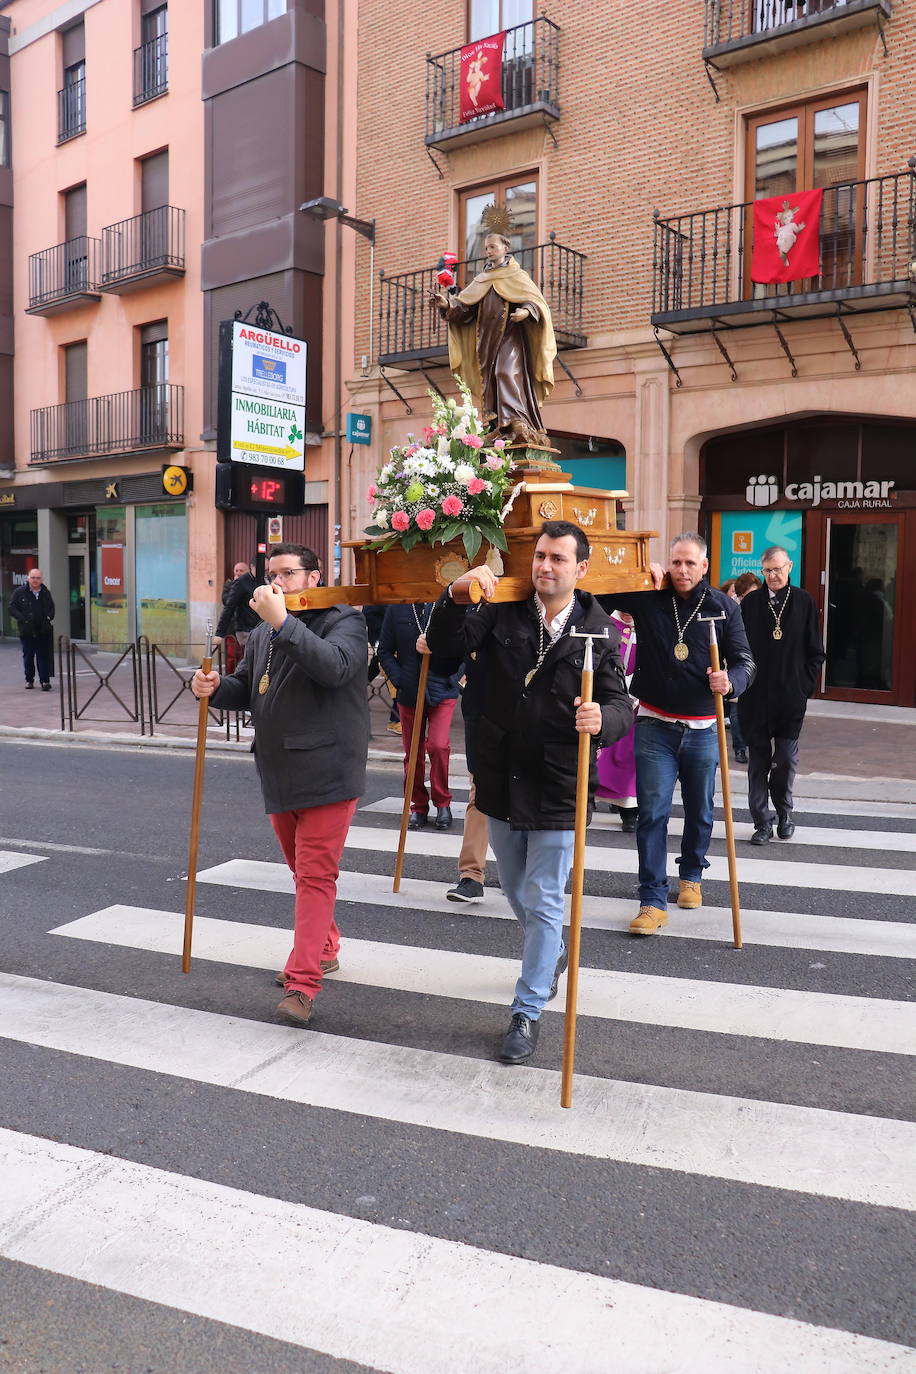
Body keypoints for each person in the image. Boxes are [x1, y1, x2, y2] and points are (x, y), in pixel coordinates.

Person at [426, 520, 633, 1065]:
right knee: (517, 892)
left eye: (557, 559)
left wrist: (601, 719)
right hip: (500, 776)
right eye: (539, 556)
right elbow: (447, 647)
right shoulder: (500, 609)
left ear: (580, 568)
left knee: (543, 899)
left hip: (561, 781)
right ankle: (553, 950)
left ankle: (527, 1010)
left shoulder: (601, 629)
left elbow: (620, 704)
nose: (545, 566)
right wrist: (454, 595)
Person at [191, 543, 369, 1028]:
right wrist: (212, 688)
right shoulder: (264, 632)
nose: (277, 583)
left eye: (288, 574)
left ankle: (303, 982)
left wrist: (284, 623)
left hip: (329, 772)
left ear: (314, 577)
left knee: (314, 877)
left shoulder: (343, 620)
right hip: (278, 769)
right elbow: (248, 689)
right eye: (271, 575)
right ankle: (326, 946)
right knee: (301, 871)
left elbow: (335, 668)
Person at [600, 532, 754, 936]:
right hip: (654, 724)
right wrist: (634, 574)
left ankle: (691, 873)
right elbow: (597, 595)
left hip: (703, 728)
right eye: (675, 562)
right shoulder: (649, 596)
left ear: (705, 566)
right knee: (651, 814)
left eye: (689, 563)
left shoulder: (723, 608)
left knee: (700, 811)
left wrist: (731, 681)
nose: (681, 570)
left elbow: (745, 661)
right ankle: (651, 899)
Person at [431, 231, 557, 446]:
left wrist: (526, 312)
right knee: (491, 380)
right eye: (486, 248)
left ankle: (517, 421)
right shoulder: (481, 279)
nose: (488, 251)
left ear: (505, 248)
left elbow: (535, 301)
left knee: (506, 372)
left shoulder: (517, 275)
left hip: (511, 335)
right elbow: (465, 309)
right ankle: (499, 425)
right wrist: (447, 306)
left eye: (493, 247)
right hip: (486, 342)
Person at [738, 546, 824, 845]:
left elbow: (816, 650)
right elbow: (739, 648)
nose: (773, 575)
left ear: (789, 567)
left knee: (785, 758)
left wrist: (804, 687)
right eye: (768, 570)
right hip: (756, 696)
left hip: (790, 696)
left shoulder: (803, 601)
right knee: (759, 761)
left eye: (778, 569)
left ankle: (785, 812)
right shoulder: (750, 603)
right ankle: (762, 822)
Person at [378, 603, 462, 831]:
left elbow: (465, 646)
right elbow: (384, 651)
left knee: (437, 744)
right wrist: (401, 680)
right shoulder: (397, 608)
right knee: (413, 752)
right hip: (410, 690)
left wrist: (454, 677)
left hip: (443, 688)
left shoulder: (449, 603)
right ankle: (417, 805)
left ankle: (443, 802)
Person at [446, 639, 491, 903]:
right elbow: (450, 658)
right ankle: (471, 875)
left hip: (530, 719)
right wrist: (435, 644)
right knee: (479, 796)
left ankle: (528, 876)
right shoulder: (478, 612)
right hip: (483, 715)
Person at [595, 610, 638, 832]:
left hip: (638, 702)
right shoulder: (604, 621)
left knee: (630, 759)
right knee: (597, 754)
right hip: (606, 699)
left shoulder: (645, 623)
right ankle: (589, 798)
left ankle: (629, 812)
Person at [9, 568, 55, 691]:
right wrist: (22, 619)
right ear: (28, 578)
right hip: (27, 631)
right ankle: (29, 680)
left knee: (43, 656)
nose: (35, 580)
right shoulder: (19, 592)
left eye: (38, 578)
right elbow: (12, 608)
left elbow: (52, 608)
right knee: (28, 656)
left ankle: (45, 681)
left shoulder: (46, 592)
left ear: (42, 580)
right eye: (33, 577)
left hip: (43, 631)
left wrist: (49, 617)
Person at [213, 561, 258, 668]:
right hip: (232, 628)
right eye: (236, 571)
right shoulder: (230, 585)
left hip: (247, 625)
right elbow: (226, 602)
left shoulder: (253, 584)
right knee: (231, 657)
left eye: (241, 571)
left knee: (245, 657)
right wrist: (236, 587)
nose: (238, 573)